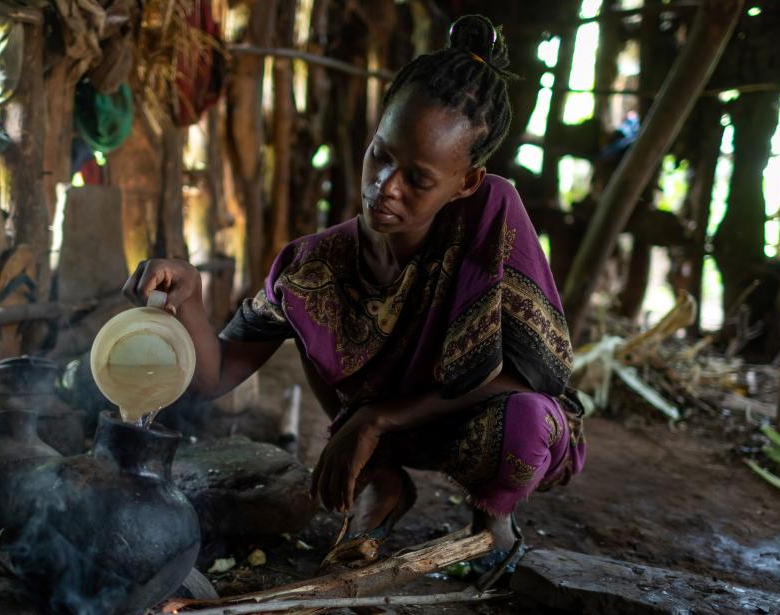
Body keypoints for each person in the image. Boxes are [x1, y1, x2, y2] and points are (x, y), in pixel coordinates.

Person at [122, 14, 586, 581]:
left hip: (476, 422)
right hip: (387, 430)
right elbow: (213, 376)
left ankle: (492, 522)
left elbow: (536, 372)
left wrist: (377, 418)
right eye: (380, 154)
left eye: (417, 178)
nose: (385, 185)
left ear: (466, 183)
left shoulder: (492, 221)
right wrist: (189, 298)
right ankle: (384, 481)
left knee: (530, 420)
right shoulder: (311, 266)